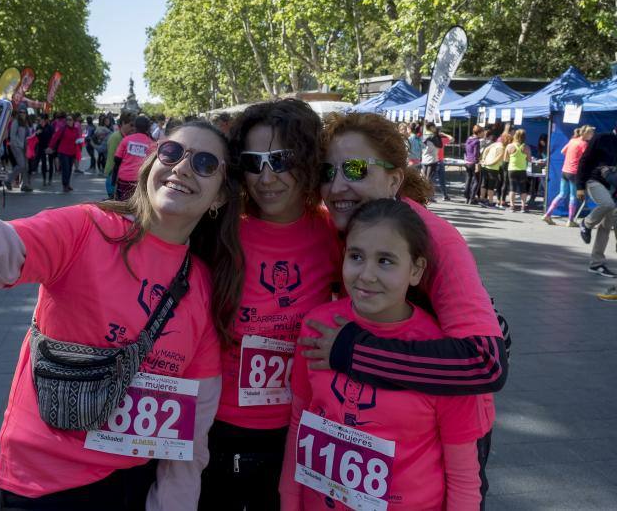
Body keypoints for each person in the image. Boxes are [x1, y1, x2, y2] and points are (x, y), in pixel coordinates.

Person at [0, 78, 245, 511]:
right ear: (150, 164)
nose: (182, 167)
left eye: (204, 163)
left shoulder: (203, 283)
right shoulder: (84, 228)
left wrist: (173, 503)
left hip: (135, 484)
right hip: (45, 485)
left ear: (220, 195)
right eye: (171, 152)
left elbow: (193, 421)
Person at [300, 112, 509, 502]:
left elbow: (486, 362)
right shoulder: (337, 223)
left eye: (356, 169)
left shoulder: (436, 241)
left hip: (449, 426)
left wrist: (351, 351)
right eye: (327, 172)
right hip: (364, 426)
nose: (337, 185)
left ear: (394, 179)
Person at [281, 199, 487, 510]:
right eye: (356, 256)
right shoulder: (317, 325)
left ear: (416, 270)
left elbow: (463, 476)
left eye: (386, 261)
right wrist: (289, 499)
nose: (366, 275)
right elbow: (299, 421)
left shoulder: (443, 357)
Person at [198, 99, 342, 511]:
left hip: (300, 427)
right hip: (216, 426)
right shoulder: (217, 230)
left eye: (281, 160)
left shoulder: (335, 232)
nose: (266, 177)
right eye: (252, 161)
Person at [577, 123, 617, 278]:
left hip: (612, 186)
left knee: (606, 227)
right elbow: (584, 160)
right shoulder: (602, 138)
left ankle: (596, 264)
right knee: (607, 204)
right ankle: (586, 223)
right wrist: (579, 186)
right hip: (594, 180)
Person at [544, 126, 594, 226]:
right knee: (573, 196)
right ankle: (570, 221)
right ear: (586, 134)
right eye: (591, 133)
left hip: (565, 171)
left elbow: (563, 151)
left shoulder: (572, 141)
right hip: (574, 173)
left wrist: (572, 156)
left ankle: (547, 215)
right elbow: (587, 159)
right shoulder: (584, 144)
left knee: (562, 194)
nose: (592, 135)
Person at [113, 115, 155, 201]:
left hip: (123, 179)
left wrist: (113, 178)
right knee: (135, 205)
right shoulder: (151, 144)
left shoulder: (126, 140)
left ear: (135, 126)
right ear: (148, 127)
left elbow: (117, 159)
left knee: (120, 203)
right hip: (139, 180)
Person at [48, 114, 82, 193]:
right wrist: (50, 147)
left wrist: (80, 146)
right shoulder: (63, 129)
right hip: (63, 152)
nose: (69, 121)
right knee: (65, 169)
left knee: (70, 169)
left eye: (70, 120)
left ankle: (68, 184)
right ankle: (65, 185)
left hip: (72, 152)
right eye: (67, 120)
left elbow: (78, 139)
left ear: (73, 121)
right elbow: (55, 137)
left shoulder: (76, 129)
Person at [105, 113, 134, 199]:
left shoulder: (126, 137)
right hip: (114, 176)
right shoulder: (116, 137)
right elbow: (113, 159)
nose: (133, 128)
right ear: (123, 123)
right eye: (131, 125)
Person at [504, 129, 531, 213]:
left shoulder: (509, 146)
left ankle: (512, 207)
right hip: (522, 169)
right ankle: (523, 207)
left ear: (515, 136)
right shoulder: (526, 147)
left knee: (512, 188)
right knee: (523, 189)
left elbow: (505, 159)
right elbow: (529, 159)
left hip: (512, 169)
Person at [6, 108, 32, 192]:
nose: (22, 114)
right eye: (20, 112)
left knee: (25, 166)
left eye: (24, 112)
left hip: (25, 147)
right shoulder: (16, 122)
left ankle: (25, 185)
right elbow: (12, 136)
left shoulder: (26, 123)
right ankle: (8, 180)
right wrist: (17, 145)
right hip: (17, 147)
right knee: (22, 165)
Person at [464, 125, 483, 204]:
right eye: (482, 132)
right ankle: (472, 198)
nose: (483, 134)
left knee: (468, 179)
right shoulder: (477, 141)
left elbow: (466, 150)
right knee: (476, 181)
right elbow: (476, 153)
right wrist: (477, 163)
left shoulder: (469, 139)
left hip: (467, 161)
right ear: (479, 133)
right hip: (474, 162)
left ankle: (467, 198)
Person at [34, 115, 55, 186]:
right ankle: (44, 179)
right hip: (41, 147)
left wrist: (52, 147)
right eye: (41, 120)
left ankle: (50, 179)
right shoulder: (38, 127)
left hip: (49, 147)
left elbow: (53, 137)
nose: (42, 121)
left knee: (51, 163)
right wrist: (37, 133)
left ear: (46, 120)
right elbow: (35, 136)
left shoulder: (50, 127)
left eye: (43, 119)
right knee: (43, 163)